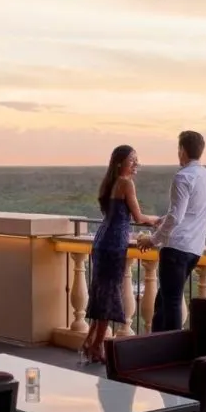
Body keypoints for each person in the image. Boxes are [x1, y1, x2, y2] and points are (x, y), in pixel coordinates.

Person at [81, 145, 158, 364]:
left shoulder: (109, 183)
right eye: (132, 160)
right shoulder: (126, 183)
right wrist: (158, 220)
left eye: (136, 160)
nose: (136, 164)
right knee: (108, 295)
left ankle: (89, 342)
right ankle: (96, 347)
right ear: (119, 163)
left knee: (101, 292)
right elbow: (138, 216)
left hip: (102, 242)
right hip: (114, 244)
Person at [137, 130, 206, 332]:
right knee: (163, 301)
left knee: (171, 301)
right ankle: (156, 344)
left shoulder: (183, 177)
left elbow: (177, 216)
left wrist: (152, 240)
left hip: (176, 248)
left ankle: (172, 349)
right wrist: (161, 221)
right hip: (194, 248)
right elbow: (192, 212)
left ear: (182, 150)